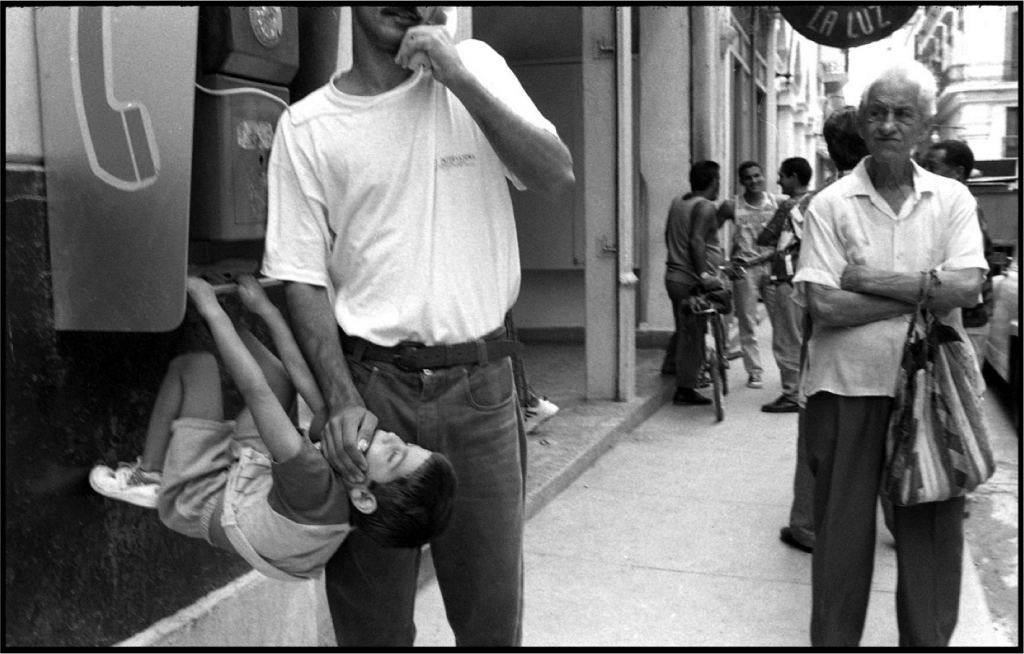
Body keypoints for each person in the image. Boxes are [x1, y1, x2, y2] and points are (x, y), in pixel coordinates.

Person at [261, 6, 574, 646]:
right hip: (370, 393)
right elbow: (300, 277)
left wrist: (457, 76)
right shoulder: (309, 126)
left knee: (491, 620)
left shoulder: (478, 68)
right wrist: (342, 402)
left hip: (481, 389)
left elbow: (554, 173)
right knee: (370, 624)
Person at [792, 61, 987, 646]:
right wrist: (925, 295)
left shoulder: (951, 198)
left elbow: (969, 287)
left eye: (903, 114)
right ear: (862, 121)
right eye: (876, 112)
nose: (888, 125)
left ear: (925, 125)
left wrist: (870, 280)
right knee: (840, 546)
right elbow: (824, 306)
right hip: (846, 390)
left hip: (932, 396)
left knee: (931, 544)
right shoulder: (831, 204)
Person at [89, 275, 457, 580]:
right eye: (405, 442)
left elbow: (256, 392)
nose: (392, 436)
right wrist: (263, 310)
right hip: (251, 483)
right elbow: (301, 382)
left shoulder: (314, 485)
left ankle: (149, 476)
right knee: (281, 378)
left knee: (196, 367)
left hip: (197, 496)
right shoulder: (350, 464)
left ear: (363, 497)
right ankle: (228, 321)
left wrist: (210, 307)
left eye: (394, 454)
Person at [777, 107, 869, 555]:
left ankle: (808, 524)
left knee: (818, 438)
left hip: (831, 344)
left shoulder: (817, 204)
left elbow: (812, 296)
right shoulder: (897, 196)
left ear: (831, 152)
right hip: (888, 343)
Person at [923, 139, 997, 365]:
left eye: (932, 168)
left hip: (967, 325)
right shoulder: (940, 207)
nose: (924, 174)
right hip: (949, 323)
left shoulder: (967, 211)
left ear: (957, 173)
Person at [717, 161, 789, 389]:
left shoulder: (777, 202)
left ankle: (787, 370)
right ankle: (754, 371)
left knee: (782, 320)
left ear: (763, 176)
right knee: (747, 322)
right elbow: (710, 232)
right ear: (741, 181)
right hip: (744, 269)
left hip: (772, 266)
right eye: (748, 177)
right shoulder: (732, 206)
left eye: (757, 176)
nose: (754, 181)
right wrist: (722, 261)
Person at [662, 161, 728, 405]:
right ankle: (685, 388)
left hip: (674, 276)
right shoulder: (706, 206)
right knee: (694, 335)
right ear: (714, 182)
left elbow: (668, 233)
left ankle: (671, 365)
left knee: (683, 326)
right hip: (690, 279)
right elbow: (697, 242)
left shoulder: (679, 202)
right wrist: (703, 276)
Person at [755, 157, 813, 414]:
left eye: (782, 175)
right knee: (803, 336)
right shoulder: (816, 201)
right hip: (808, 278)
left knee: (787, 338)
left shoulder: (790, 205)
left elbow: (765, 237)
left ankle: (791, 393)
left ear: (793, 177)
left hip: (787, 278)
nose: (778, 180)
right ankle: (804, 388)